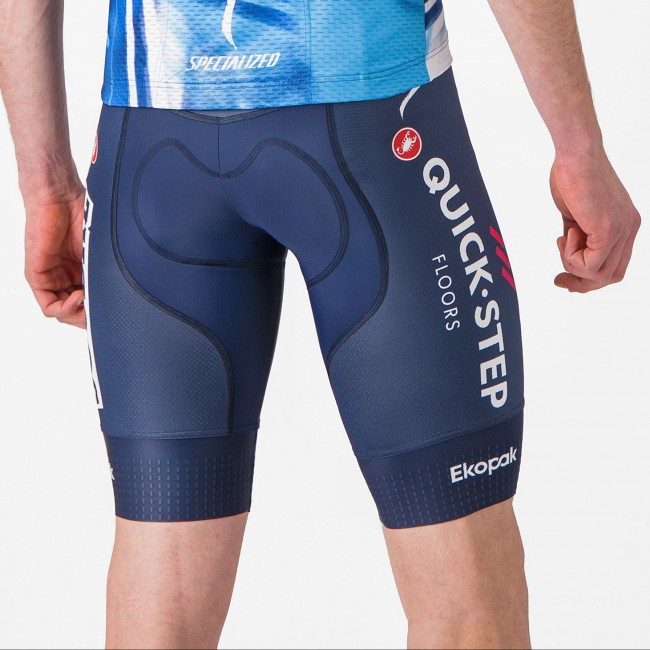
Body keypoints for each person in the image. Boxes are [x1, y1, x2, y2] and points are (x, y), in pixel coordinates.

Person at [0, 0, 640, 648]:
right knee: (465, 604)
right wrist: (579, 146)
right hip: (370, 122)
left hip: (154, 143)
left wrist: (44, 183)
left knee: (160, 608)